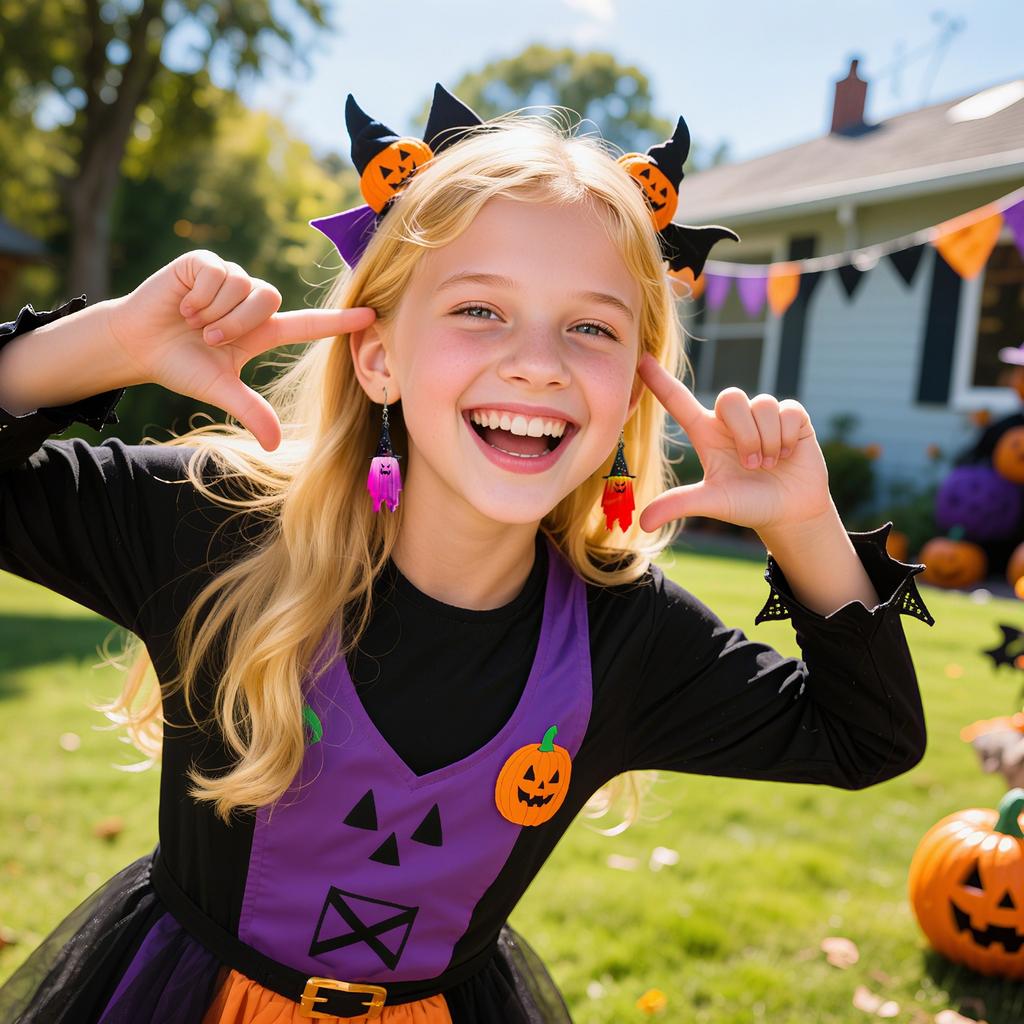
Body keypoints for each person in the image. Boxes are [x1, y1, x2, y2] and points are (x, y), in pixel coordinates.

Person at [0, 85, 935, 1024]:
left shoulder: (623, 637)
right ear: (379, 359)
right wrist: (109, 341)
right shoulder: (218, 530)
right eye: (480, 310)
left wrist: (803, 522)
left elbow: (869, 738)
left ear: (634, 387)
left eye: (593, 327)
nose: (539, 362)